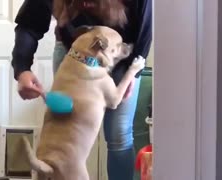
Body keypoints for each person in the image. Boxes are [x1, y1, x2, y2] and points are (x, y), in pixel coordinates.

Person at [11, 0, 152, 179]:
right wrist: (22, 68)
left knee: (118, 135)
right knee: (60, 138)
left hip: (122, 52)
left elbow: (145, 27)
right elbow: (30, 22)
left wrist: (131, 73)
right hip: (75, 52)